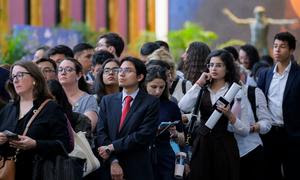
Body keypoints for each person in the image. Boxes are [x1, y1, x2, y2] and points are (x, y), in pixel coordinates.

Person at [179, 50, 249, 180]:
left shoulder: (235, 92)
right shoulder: (203, 88)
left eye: (218, 65)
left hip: (225, 144)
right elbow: (183, 106)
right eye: (211, 65)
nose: (213, 68)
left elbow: (245, 130)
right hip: (202, 143)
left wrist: (229, 115)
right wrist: (199, 83)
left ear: (227, 68)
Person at [0, 61, 71, 179]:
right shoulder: (8, 109)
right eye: (13, 77)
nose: (16, 80)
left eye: (20, 75)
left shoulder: (51, 108)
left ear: (35, 79)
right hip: (8, 173)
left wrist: (36, 144)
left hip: (40, 173)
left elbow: (64, 145)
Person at [97, 56, 160, 180]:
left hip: (137, 167)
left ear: (140, 77)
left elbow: (143, 135)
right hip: (109, 167)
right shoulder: (107, 101)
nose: (121, 74)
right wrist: (113, 161)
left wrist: (112, 147)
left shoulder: (150, 102)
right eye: (120, 70)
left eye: (128, 70)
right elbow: (101, 133)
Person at [257, 32, 300, 180]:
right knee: (270, 173)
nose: (277, 50)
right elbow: (259, 102)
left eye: (282, 46)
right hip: (269, 133)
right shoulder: (265, 74)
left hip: (293, 134)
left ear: (291, 50)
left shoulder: (298, 74)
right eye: (275, 46)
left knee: (293, 173)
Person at [145, 66, 185, 180]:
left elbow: (183, 139)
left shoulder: (171, 106)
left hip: (165, 158)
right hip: (143, 157)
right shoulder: (137, 104)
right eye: (153, 87)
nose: (157, 91)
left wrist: (176, 134)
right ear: (145, 84)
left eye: (161, 87)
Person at [223, 6, 298, 55]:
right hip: (254, 44)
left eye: (261, 13)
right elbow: (238, 21)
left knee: (267, 58)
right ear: (255, 14)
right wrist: (229, 14)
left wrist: (291, 21)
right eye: (258, 13)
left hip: (264, 45)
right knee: (251, 58)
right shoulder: (252, 21)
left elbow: (279, 21)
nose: (260, 15)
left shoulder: (267, 21)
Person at [58, 58, 98, 131]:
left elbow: (88, 126)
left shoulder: (88, 99)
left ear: (79, 75)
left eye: (68, 70)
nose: (63, 73)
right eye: (60, 70)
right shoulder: (53, 97)